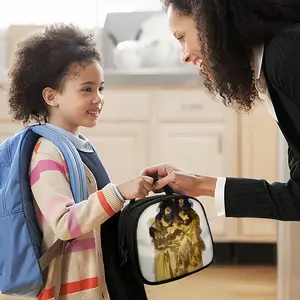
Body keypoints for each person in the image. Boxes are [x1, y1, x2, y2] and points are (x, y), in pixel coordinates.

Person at [8, 24, 153, 300]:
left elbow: (96, 209)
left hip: (105, 272)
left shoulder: (79, 145)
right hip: (79, 285)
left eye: (100, 88)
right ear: (52, 96)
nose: (98, 99)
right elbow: (64, 223)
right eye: (86, 89)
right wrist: (120, 192)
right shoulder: (47, 154)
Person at [142, 0, 300, 221]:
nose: (184, 56)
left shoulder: (287, 54)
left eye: (182, 38)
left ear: (211, 22)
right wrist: (198, 184)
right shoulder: (274, 60)